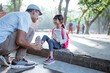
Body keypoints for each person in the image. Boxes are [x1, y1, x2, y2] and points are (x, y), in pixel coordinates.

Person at [0, 4, 43, 68]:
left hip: (2, 43)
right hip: (2, 45)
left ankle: (4, 55)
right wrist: (33, 46)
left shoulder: (19, 15)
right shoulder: (26, 16)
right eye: (38, 14)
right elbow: (20, 41)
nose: (38, 17)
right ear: (34, 12)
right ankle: (19, 60)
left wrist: (29, 44)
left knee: (22, 35)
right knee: (31, 30)